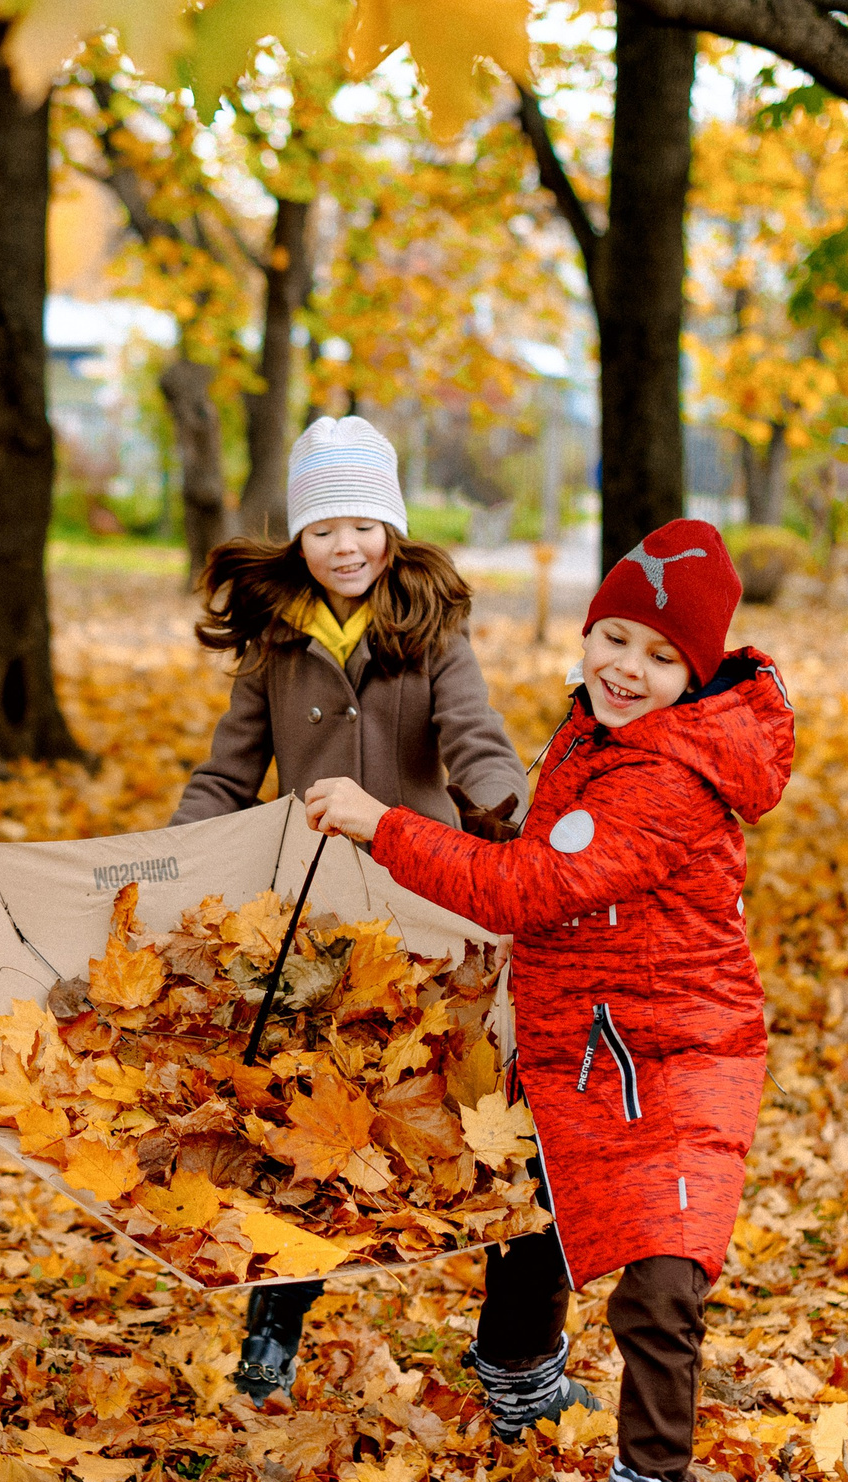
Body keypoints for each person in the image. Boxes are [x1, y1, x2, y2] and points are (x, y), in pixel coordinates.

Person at [301, 518, 794, 1482]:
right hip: (589, 1028)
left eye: (657, 654)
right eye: (611, 636)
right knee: (542, 1196)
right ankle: (518, 1375)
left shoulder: (670, 775)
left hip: (679, 1050)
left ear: (698, 670)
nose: (625, 666)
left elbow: (531, 888)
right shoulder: (596, 728)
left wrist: (385, 824)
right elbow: (553, 840)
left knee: (662, 1285)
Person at [168, 414, 527, 1404]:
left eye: (364, 523)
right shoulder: (277, 643)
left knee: (471, 1119)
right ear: (300, 539)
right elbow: (226, 771)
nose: (347, 545)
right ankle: (271, 1330)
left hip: (422, 909)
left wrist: (514, 809)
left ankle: (517, 1351)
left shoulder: (431, 632)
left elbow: (477, 741)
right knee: (305, 1128)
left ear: (393, 527)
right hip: (310, 925)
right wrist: (176, 852)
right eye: (325, 528)